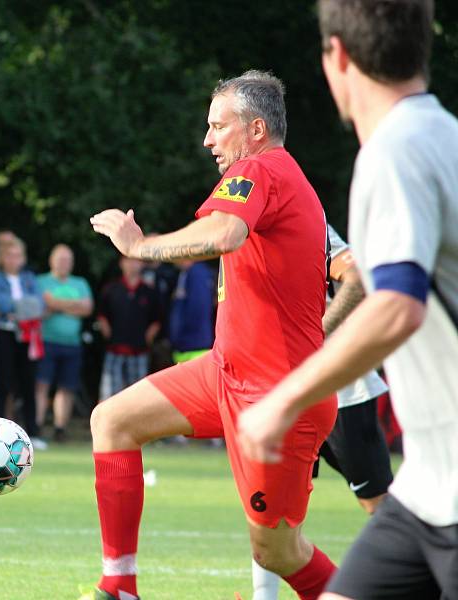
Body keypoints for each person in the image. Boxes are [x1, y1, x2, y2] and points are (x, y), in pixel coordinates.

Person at [86, 71, 337, 600]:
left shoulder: (260, 168)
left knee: (278, 552)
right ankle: (119, 587)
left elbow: (224, 233)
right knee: (112, 421)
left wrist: (139, 246)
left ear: (256, 129)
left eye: (218, 126)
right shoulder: (274, 175)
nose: (207, 140)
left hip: (276, 395)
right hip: (226, 372)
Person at [237, 2, 458, 598]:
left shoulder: (394, 151)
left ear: (337, 55)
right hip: (425, 495)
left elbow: (396, 305)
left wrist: (282, 399)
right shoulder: (442, 137)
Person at [250, 224, 394, 600]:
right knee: (269, 507)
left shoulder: (308, 225)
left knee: (379, 505)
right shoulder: (240, 232)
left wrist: (318, 333)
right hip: (284, 393)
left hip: (343, 392)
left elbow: (356, 276)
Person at [0, 237, 45, 445]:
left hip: (28, 336)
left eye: (18, 255)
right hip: (4, 334)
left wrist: (18, 309)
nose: (14, 260)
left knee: (28, 383)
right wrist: (23, 308)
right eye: (10, 256)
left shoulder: (30, 277)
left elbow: (38, 304)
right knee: (3, 383)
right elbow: (2, 304)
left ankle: (32, 433)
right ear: (3, 258)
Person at [36, 244, 93, 443]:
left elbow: (87, 309)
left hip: (72, 343)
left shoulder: (80, 283)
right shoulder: (41, 281)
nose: (64, 263)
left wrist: (56, 304)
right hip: (46, 341)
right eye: (60, 259)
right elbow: (42, 305)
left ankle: (60, 428)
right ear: (51, 260)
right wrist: (72, 306)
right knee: (42, 384)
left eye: (68, 260)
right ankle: (37, 426)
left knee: (67, 387)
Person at [97, 257, 161, 400]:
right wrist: (107, 332)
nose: (132, 265)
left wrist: (148, 337)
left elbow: (157, 319)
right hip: (114, 349)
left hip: (139, 351)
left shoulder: (149, 291)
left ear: (142, 264)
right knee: (109, 395)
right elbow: (102, 315)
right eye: (128, 261)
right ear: (121, 263)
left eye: (136, 261)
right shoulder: (111, 289)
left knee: (137, 396)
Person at [168, 259, 216, 363]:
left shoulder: (197, 273)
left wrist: (181, 334)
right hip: (187, 346)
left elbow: (199, 308)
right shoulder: (187, 272)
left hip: (194, 347)